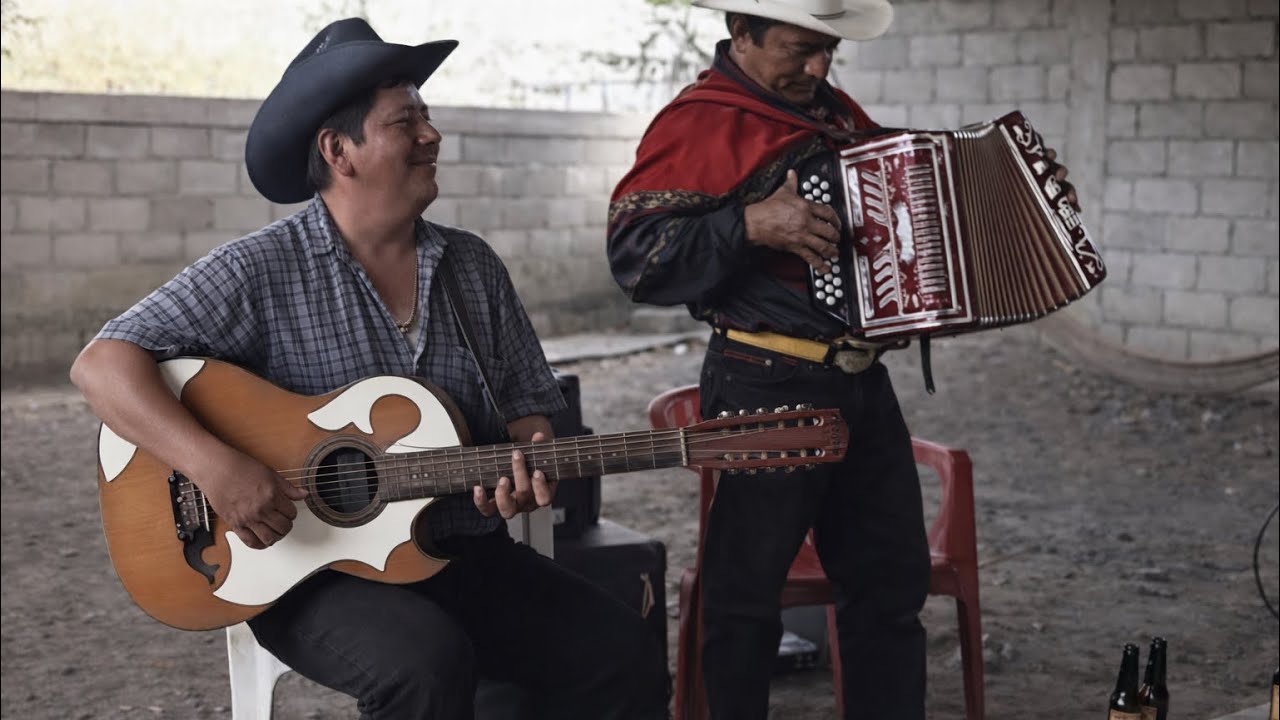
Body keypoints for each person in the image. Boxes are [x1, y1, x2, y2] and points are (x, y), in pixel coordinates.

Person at [71, 18, 667, 720]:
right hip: (304, 569)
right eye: (405, 120)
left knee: (619, 648)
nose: (431, 135)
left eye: (428, 117)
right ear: (338, 150)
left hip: (457, 551)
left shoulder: (471, 268)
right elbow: (101, 366)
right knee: (423, 665)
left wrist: (526, 475)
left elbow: (530, 417)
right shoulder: (259, 270)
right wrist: (216, 468)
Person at [607, 1, 1076, 718]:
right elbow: (636, 260)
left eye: (828, 50)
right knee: (746, 602)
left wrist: (1026, 206)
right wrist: (749, 224)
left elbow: (913, 216)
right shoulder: (698, 123)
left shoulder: (833, 113)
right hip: (765, 380)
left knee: (891, 590)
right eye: (800, 49)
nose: (818, 67)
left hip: (860, 383)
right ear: (742, 34)